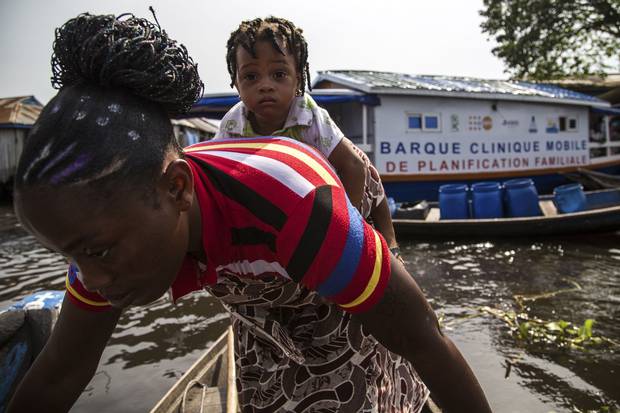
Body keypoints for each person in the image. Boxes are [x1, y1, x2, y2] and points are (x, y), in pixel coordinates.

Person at [8, 12, 491, 413]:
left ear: (178, 189)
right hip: (261, 333)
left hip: (338, 312)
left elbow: (424, 341)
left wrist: (378, 246)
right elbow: (61, 371)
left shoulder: (299, 200)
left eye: (96, 253)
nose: (89, 278)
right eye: (71, 256)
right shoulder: (95, 238)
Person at [215, 17, 401, 260]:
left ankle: (389, 235)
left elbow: (353, 167)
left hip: (327, 194)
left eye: (279, 74)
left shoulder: (307, 115)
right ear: (236, 84)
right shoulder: (233, 124)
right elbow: (216, 177)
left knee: (361, 160)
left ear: (298, 81)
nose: (265, 86)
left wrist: (346, 227)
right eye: (251, 77)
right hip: (279, 199)